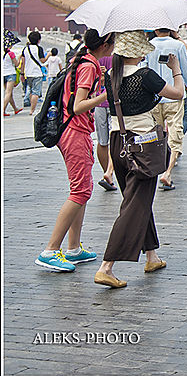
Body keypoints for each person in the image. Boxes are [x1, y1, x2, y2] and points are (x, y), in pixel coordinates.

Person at [93, 31, 184, 289]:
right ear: (138, 52)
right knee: (134, 205)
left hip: (117, 143)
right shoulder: (146, 76)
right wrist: (175, 69)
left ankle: (151, 255)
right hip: (142, 145)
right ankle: (107, 266)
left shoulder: (111, 77)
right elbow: (178, 93)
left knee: (136, 199)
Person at [34, 29, 115, 273]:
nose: (113, 47)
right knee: (80, 191)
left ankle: (73, 248)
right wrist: (104, 95)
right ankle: (50, 250)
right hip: (74, 132)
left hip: (74, 131)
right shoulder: (88, 66)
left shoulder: (82, 60)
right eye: (112, 43)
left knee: (83, 189)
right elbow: (78, 106)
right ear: (104, 45)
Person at [146, 27, 187, 190]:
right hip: (174, 95)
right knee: (175, 134)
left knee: (155, 134)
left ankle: (153, 170)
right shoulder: (178, 46)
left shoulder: (148, 46)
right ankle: (167, 172)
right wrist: (185, 85)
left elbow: (143, 70)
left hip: (153, 97)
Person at [94, 54, 117, 192]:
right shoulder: (119, 54)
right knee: (115, 139)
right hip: (115, 102)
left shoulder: (95, 55)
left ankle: (108, 174)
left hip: (98, 102)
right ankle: (109, 172)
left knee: (102, 141)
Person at [21, 31, 48, 115]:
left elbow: (23, 61)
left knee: (31, 91)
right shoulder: (39, 48)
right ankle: (32, 110)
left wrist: (22, 73)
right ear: (38, 40)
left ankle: (31, 108)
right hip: (37, 73)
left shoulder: (25, 49)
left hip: (28, 73)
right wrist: (49, 55)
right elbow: (42, 60)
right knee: (36, 92)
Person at [3, 40, 23, 116]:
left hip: (3, 74)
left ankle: (15, 109)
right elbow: (17, 64)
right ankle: (3, 109)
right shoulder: (10, 53)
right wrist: (19, 57)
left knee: (9, 93)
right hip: (10, 74)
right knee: (8, 93)